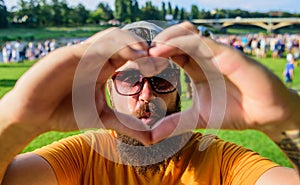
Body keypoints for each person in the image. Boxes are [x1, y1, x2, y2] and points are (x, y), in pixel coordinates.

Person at [0, 21, 299, 185]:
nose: (146, 96)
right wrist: (16, 119)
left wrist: (287, 123)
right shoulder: (82, 158)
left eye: (162, 79)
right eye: (130, 80)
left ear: (181, 88)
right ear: (107, 90)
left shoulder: (221, 163)